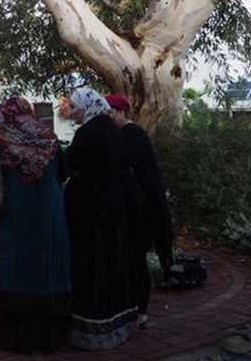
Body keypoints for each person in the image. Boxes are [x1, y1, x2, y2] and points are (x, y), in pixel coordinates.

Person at [0, 97, 71, 354]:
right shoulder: (48, 138)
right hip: (48, 215)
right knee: (46, 265)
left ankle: (14, 337)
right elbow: (63, 173)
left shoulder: (3, 143)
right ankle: (51, 336)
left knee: (16, 264)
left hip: (17, 214)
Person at [65, 88, 138, 350]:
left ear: (87, 106)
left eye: (74, 107)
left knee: (93, 268)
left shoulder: (88, 133)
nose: (71, 112)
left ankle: (93, 332)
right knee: (113, 264)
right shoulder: (111, 129)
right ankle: (119, 326)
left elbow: (70, 165)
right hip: (113, 210)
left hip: (91, 213)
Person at [106, 94, 174, 329]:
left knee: (136, 259)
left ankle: (141, 310)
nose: (108, 116)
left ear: (121, 111)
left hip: (140, 209)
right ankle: (129, 307)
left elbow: (142, 174)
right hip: (129, 207)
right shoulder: (119, 134)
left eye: (111, 111)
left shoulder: (134, 135)